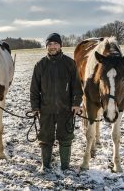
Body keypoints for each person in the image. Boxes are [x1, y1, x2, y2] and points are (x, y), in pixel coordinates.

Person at [30, 33, 83, 171]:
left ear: (60, 45)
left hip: (66, 109)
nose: (53, 47)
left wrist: (76, 103)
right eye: (50, 44)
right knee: (45, 138)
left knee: (66, 138)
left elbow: (77, 86)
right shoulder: (40, 65)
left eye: (55, 44)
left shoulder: (69, 63)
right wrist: (35, 107)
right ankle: (45, 165)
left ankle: (65, 166)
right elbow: (34, 89)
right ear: (46, 47)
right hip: (46, 109)